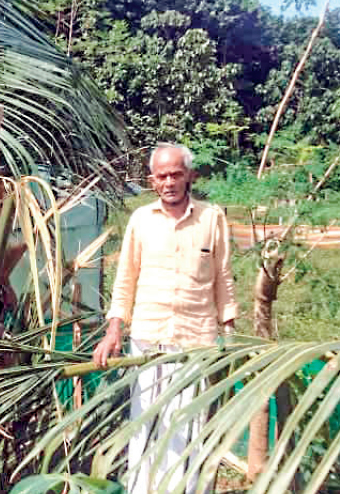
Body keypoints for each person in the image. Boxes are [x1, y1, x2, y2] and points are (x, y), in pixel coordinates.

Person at [92, 143, 238, 494]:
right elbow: (125, 278)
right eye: (162, 176)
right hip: (147, 341)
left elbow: (223, 277)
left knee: (189, 432)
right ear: (152, 181)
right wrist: (114, 331)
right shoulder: (141, 220)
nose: (169, 181)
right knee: (147, 430)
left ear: (189, 175)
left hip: (196, 344)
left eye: (176, 174)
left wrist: (230, 336)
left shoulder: (211, 218)